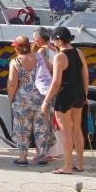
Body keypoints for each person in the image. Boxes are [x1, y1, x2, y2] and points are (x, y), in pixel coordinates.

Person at [43, 26, 89, 174]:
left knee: (66, 132)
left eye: (54, 40)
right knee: (77, 129)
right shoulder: (78, 52)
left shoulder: (59, 57)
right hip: (79, 94)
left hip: (64, 95)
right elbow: (85, 75)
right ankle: (80, 164)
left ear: (58, 40)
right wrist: (85, 95)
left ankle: (67, 166)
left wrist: (46, 100)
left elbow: (56, 82)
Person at [7, 35, 53, 166]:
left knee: (21, 128)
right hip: (41, 97)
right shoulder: (39, 58)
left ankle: (22, 158)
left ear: (17, 48)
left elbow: (12, 84)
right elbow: (50, 70)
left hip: (22, 100)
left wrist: (10, 98)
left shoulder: (15, 62)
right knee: (42, 128)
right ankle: (42, 157)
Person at [29, 27, 58, 165]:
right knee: (48, 121)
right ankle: (47, 151)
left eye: (34, 39)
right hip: (53, 88)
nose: (33, 41)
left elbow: (47, 68)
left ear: (39, 39)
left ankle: (41, 153)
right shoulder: (54, 48)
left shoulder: (41, 50)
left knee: (41, 122)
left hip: (43, 90)